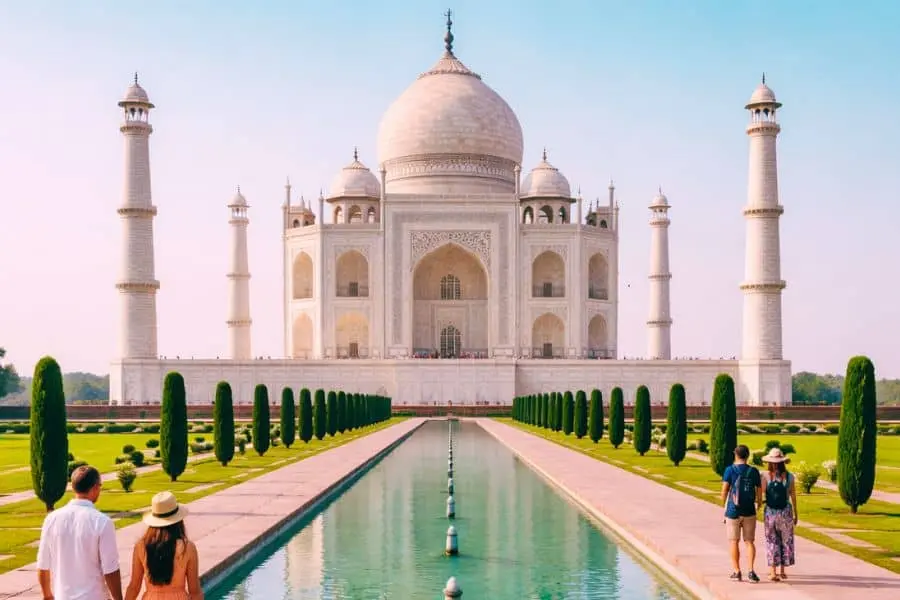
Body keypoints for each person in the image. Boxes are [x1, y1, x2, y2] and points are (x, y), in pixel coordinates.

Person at [37, 464, 124, 600]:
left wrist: (47, 595)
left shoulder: (52, 519)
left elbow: (43, 564)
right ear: (95, 488)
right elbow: (110, 569)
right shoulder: (101, 522)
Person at [124, 491, 203, 600]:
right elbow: (194, 591)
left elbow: (134, 587)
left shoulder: (141, 546)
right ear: (178, 520)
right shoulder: (187, 547)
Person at [720, 444, 762, 583]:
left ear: (735, 455)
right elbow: (759, 490)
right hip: (749, 510)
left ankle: (737, 571)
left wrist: (724, 505)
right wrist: (759, 503)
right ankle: (751, 571)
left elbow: (724, 490)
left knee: (734, 541)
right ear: (747, 455)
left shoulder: (730, 470)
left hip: (733, 511)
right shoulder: (753, 471)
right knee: (749, 542)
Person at [761, 447, 797, 581]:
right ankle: (782, 571)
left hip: (771, 512)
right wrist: (796, 513)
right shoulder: (789, 476)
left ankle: (773, 572)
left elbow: (762, 492)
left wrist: (760, 502)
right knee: (786, 540)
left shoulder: (765, 475)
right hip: (785, 511)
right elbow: (792, 495)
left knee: (772, 540)